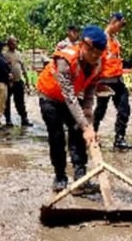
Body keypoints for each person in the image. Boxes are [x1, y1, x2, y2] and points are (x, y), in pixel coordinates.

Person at [37, 25, 105, 192]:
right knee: (57, 136)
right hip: (50, 97)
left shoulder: (97, 63)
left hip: (72, 98)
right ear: (82, 45)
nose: (95, 56)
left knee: (77, 132)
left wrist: (88, 110)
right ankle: (60, 176)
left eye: (99, 53)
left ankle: (81, 176)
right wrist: (86, 126)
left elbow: (90, 89)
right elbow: (69, 97)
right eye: (92, 52)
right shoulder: (65, 61)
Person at [93, 12, 132, 150]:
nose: (120, 28)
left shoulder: (114, 40)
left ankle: (119, 139)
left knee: (124, 109)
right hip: (104, 81)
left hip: (117, 80)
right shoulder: (101, 39)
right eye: (120, 25)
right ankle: (91, 136)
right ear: (114, 22)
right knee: (100, 110)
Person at [4, 36, 32, 127]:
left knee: (20, 101)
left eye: (15, 42)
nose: (14, 44)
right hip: (8, 82)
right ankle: (8, 119)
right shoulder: (4, 55)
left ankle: (24, 118)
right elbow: (3, 68)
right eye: (11, 43)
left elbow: (23, 67)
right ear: (8, 44)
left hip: (18, 81)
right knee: (6, 101)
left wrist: (27, 80)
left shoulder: (19, 54)